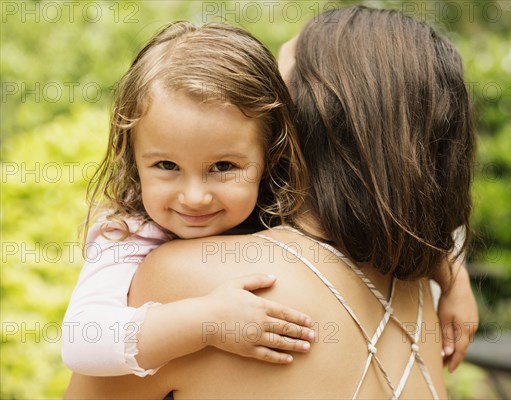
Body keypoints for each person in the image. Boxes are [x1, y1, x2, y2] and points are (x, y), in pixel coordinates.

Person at [65, 5, 478, 398]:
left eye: (283, 78)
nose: (194, 196)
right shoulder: (416, 280)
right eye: (167, 165)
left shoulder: (182, 276)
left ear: (305, 120)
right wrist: (452, 277)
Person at [61, 21, 316, 377]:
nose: (195, 197)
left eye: (223, 166)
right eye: (167, 165)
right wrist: (208, 320)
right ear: (132, 158)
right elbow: (81, 341)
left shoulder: (288, 223)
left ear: (270, 157)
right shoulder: (129, 236)